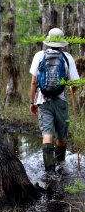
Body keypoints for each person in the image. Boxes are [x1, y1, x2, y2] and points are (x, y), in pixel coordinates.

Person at [29, 28, 80, 172]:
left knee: (47, 135)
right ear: (62, 42)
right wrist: (71, 92)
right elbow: (74, 83)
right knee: (61, 136)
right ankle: (61, 164)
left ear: (48, 41)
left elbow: (33, 81)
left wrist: (32, 102)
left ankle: (49, 171)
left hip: (43, 101)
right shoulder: (67, 57)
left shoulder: (39, 55)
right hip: (61, 101)